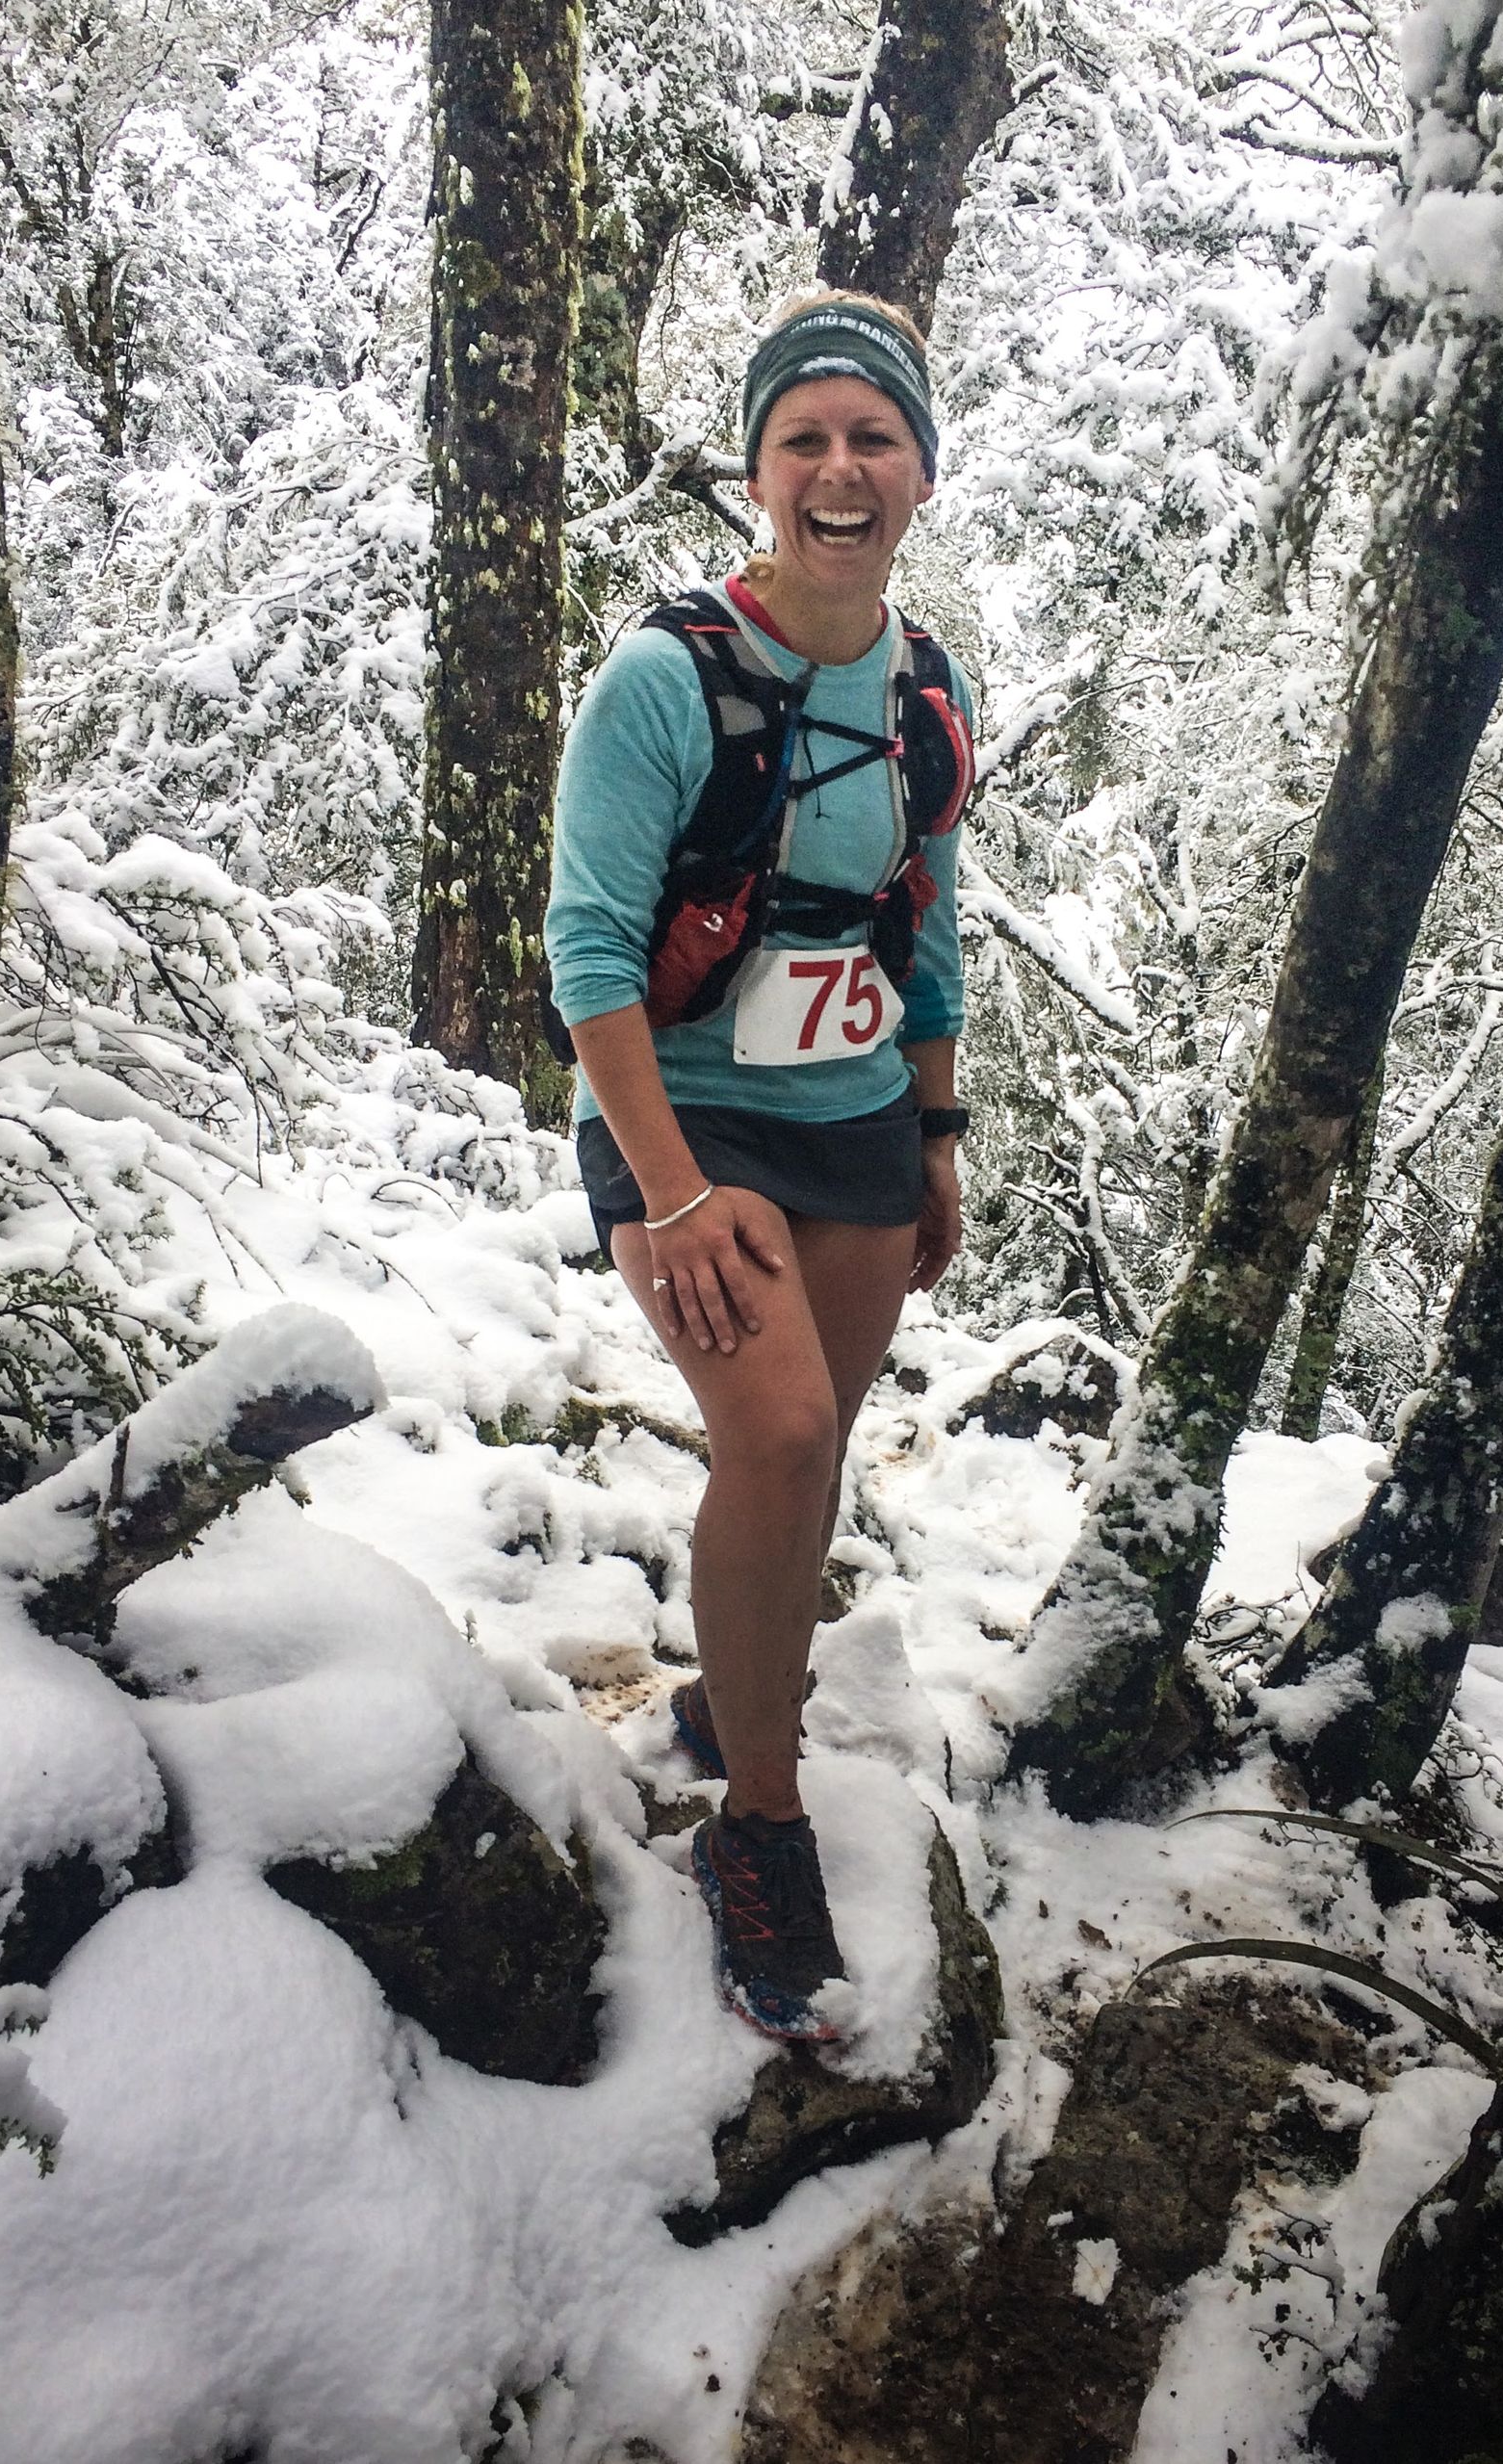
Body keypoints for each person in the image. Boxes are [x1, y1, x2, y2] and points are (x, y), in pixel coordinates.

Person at [544, 291, 973, 2044]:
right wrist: (669, 1188)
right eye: (805, 439)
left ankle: (735, 1702)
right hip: (686, 1120)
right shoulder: (664, 679)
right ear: (755, 476)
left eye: (873, 436)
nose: (840, 468)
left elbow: (926, 924)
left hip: (858, 1106)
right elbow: (584, 953)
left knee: (807, 1456)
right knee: (782, 1431)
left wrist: (938, 1127)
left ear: (922, 472)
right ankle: (760, 1831)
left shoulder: (924, 685)